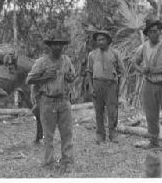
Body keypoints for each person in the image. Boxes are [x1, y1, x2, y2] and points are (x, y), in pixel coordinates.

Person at [26, 28, 76, 174]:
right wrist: (44, 77)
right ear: (50, 46)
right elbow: (29, 79)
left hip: (64, 101)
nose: (58, 47)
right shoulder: (42, 62)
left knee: (67, 134)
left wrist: (70, 78)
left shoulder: (66, 60)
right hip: (47, 102)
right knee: (48, 135)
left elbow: (72, 75)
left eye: (60, 44)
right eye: (55, 44)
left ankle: (67, 162)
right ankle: (48, 163)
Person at [133, 18, 162, 150]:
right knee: (151, 114)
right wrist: (141, 69)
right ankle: (153, 141)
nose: (155, 34)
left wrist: (158, 70)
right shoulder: (143, 47)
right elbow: (134, 62)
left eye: (157, 31)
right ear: (147, 34)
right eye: (152, 32)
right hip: (149, 83)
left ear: (160, 32)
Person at [85, 30, 125, 144]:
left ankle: (113, 134)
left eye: (103, 39)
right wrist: (91, 88)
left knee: (112, 111)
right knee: (98, 111)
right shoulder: (92, 55)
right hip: (97, 83)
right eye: (98, 40)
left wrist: (119, 87)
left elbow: (121, 71)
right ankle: (100, 135)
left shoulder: (115, 53)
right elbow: (89, 71)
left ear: (108, 40)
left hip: (111, 84)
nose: (100, 42)